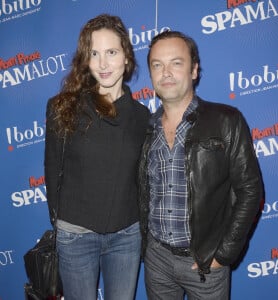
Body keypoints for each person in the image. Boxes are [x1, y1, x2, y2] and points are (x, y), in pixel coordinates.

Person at [138, 30, 263, 300]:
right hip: (157, 260)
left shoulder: (226, 120)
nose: (166, 72)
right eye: (157, 65)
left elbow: (250, 190)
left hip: (205, 263)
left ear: (194, 70)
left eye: (176, 63)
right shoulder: (146, 128)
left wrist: (223, 255)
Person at [44, 14, 150, 300]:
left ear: (126, 57)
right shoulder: (62, 107)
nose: (103, 64)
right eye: (94, 54)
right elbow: (53, 170)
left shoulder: (143, 117)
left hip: (126, 237)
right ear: (85, 60)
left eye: (111, 52)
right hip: (75, 235)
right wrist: (63, 225)